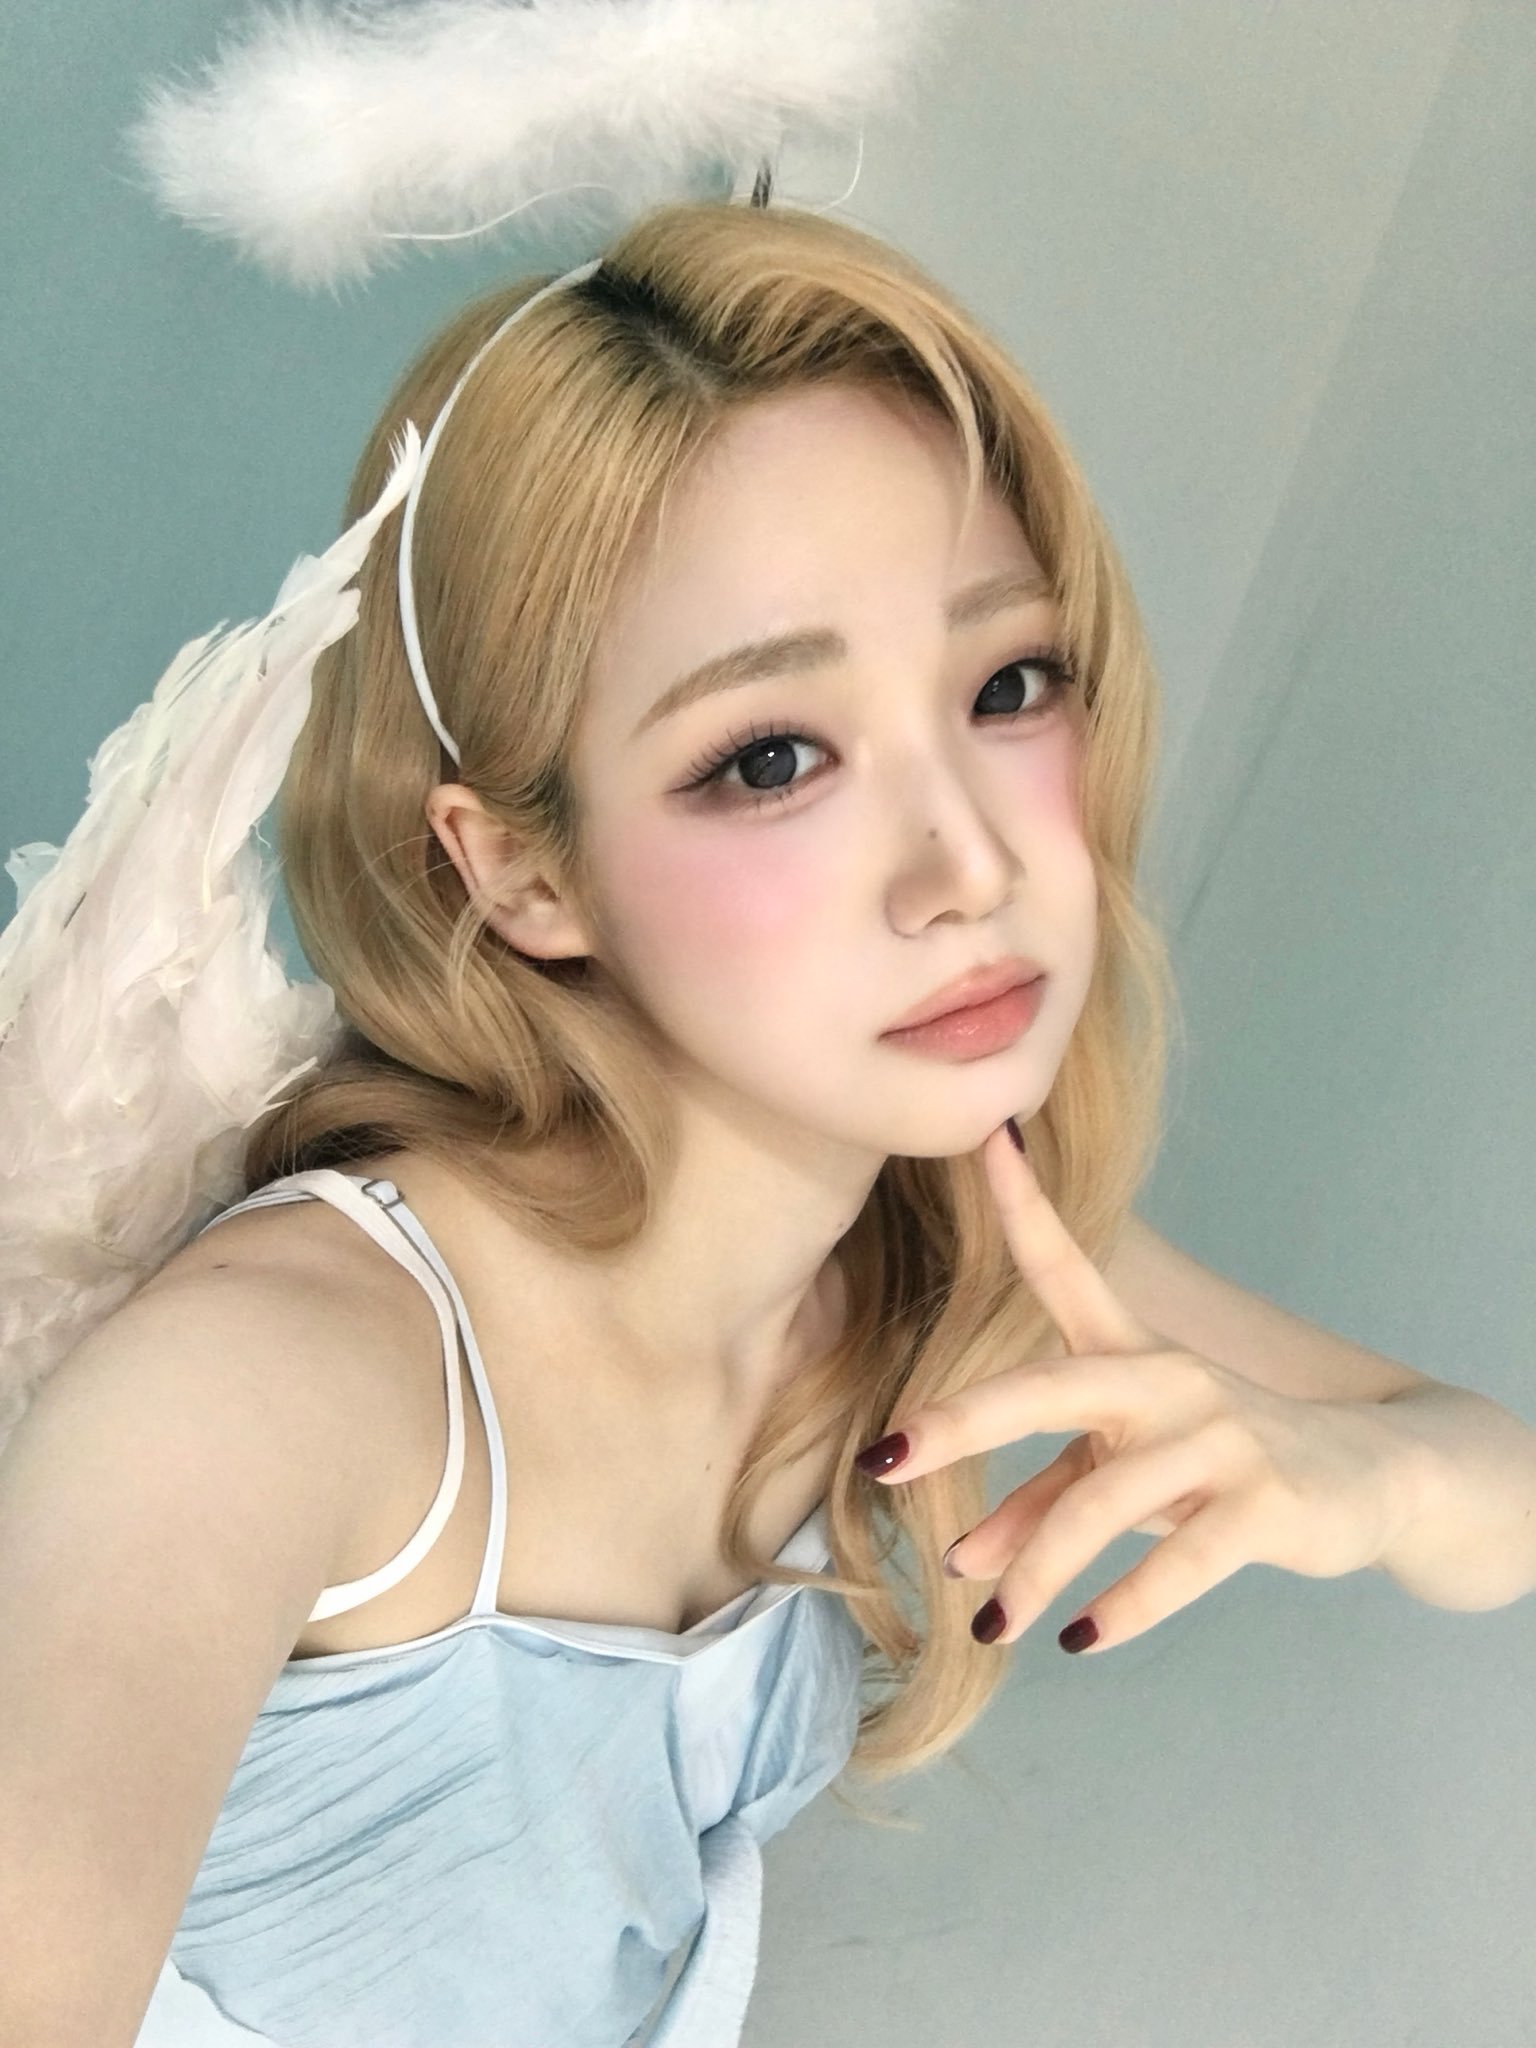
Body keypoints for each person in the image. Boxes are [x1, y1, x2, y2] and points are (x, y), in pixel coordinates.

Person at [0, 194, 1173, 2046]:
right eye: (770, 758)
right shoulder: (267, 1394)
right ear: (521, 872)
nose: (967, 864)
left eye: (1005, 684)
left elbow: (1487, 1495)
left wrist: (1364, 1476)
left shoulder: (930, 1255)